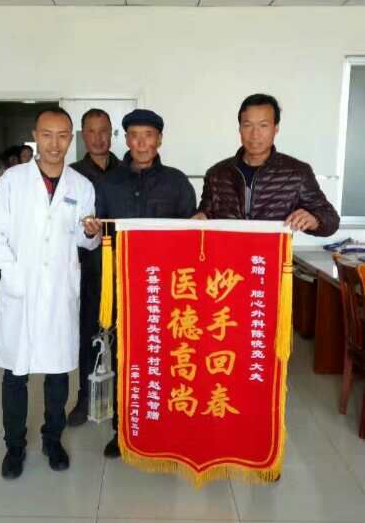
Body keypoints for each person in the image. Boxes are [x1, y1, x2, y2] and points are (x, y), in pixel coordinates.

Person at [0, 108, 99, 480]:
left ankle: (52, 440)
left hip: (59, 294)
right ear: (36, 136)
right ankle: (14, 447)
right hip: (21, 290)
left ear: (71, 138)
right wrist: (14, 274)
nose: (54, 143)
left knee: (57, 373)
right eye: (47, 135)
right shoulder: (12, 181)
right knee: (15, 376)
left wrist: (91, 232)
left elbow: (85, 240)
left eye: (62, 135)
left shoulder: (80, 186)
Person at [83, 108, 197, 458]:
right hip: (123, 288)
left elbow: (192, 239)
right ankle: (123, 430)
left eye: (149, 135)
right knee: (125, 358)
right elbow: (97, 231)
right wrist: (92, 228)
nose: (142, 143)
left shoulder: (177, 183)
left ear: (159, 139)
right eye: (134, 135)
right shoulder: (108, 183)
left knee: (166, 359)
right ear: (127, 140)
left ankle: (165, 428)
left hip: (168, 291)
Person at [197, 93, 340, 236]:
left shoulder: (297, 173)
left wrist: (315, 220)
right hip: (226, 250)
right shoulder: (216, 174)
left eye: (263, 125)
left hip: (274, 249)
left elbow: (331, 220)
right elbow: (205, 214)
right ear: (240, 128)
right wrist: (199, 219)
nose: (255, 134)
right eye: (247, 125)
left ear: (276, 128)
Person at [68, 108, 120, 426]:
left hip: (122, 269)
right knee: (87, 334)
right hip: (85, 269)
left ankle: (122, 402)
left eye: (104, 131)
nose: (98, 138)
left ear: (111, 133)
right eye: (91, 131)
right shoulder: (71, 175)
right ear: (83, 134)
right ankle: (84, 398)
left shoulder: (127, 170)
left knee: (124, 338)